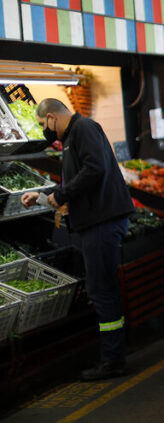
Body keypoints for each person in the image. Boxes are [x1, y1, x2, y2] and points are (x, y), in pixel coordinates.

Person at [21, 99, 135, 381]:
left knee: (102, 291)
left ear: (50, 117)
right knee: (103, 289)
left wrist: (60, 195)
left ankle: (112, 360)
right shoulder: (74, 136)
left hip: (102, 222)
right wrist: (43, 194)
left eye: (41, 125)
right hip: (98, 222)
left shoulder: (82, 128)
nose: (44, 131)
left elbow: (94, 169)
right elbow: (76, 179)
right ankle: (114, 356)